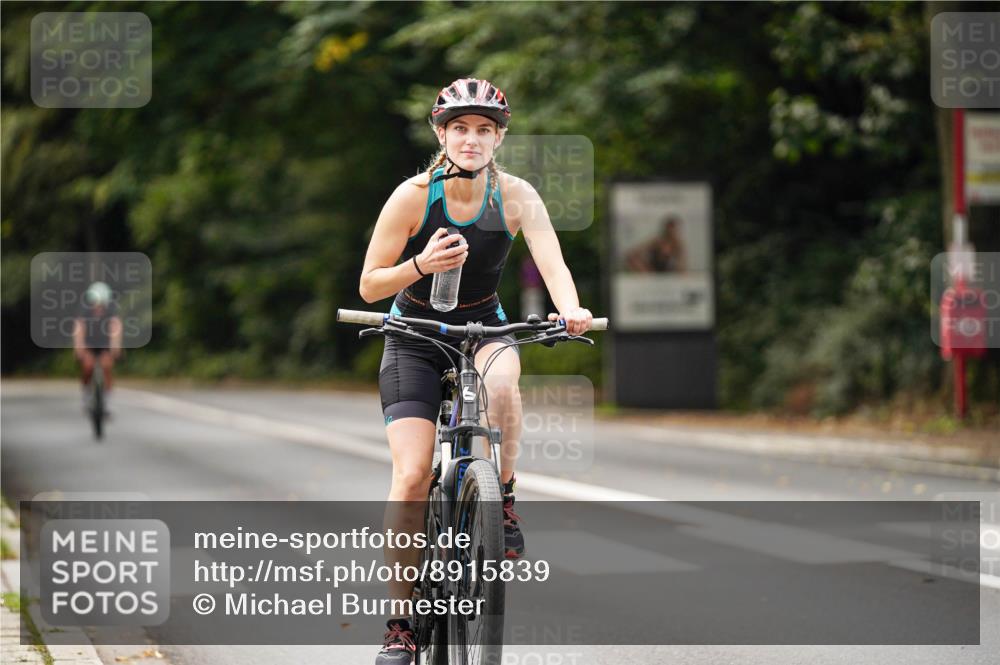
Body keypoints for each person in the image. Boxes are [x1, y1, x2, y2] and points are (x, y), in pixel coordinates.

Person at [359, 77, 593, 665]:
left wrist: (571, 310)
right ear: (441, 134)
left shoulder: (515, 196)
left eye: (484, 130)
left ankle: (502, 496)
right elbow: (368, 284)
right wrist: (420, 263)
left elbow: (552, 260)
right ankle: (402, 626)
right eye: (460, 128)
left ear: (499, 139)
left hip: (483, 328)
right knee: (412, 476)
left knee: (504, 381)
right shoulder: (413, 195)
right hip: (413, 335)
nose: (471, 139)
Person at [73, 281, 122, 408]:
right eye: (96, 302)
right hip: (89, 344)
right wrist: (79, 348)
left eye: (101, 303)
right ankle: (86, 393)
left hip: (105, 344)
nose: (98, 306)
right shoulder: (85, 312)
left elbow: (115, 329)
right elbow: (79, 329)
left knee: (107, 366)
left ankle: (108, 399)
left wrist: (115, 347)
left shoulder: (111, 312)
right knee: (88, 366)